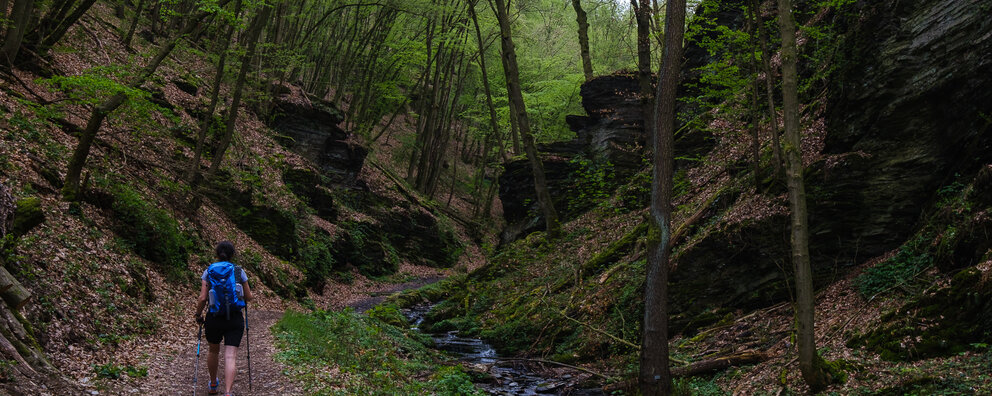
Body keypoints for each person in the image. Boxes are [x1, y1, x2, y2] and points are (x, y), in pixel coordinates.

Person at [195, 241, 253, 396]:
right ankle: (228, 392)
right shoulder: (239, 271)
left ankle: (213, 384)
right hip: (234, 318)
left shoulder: (208, 271)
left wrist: (198, 315)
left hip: (214, 317)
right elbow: (249, 297)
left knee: (213, 351)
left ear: (217, 254)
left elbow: (202, 298)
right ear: (232, 255)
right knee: (230, 355)